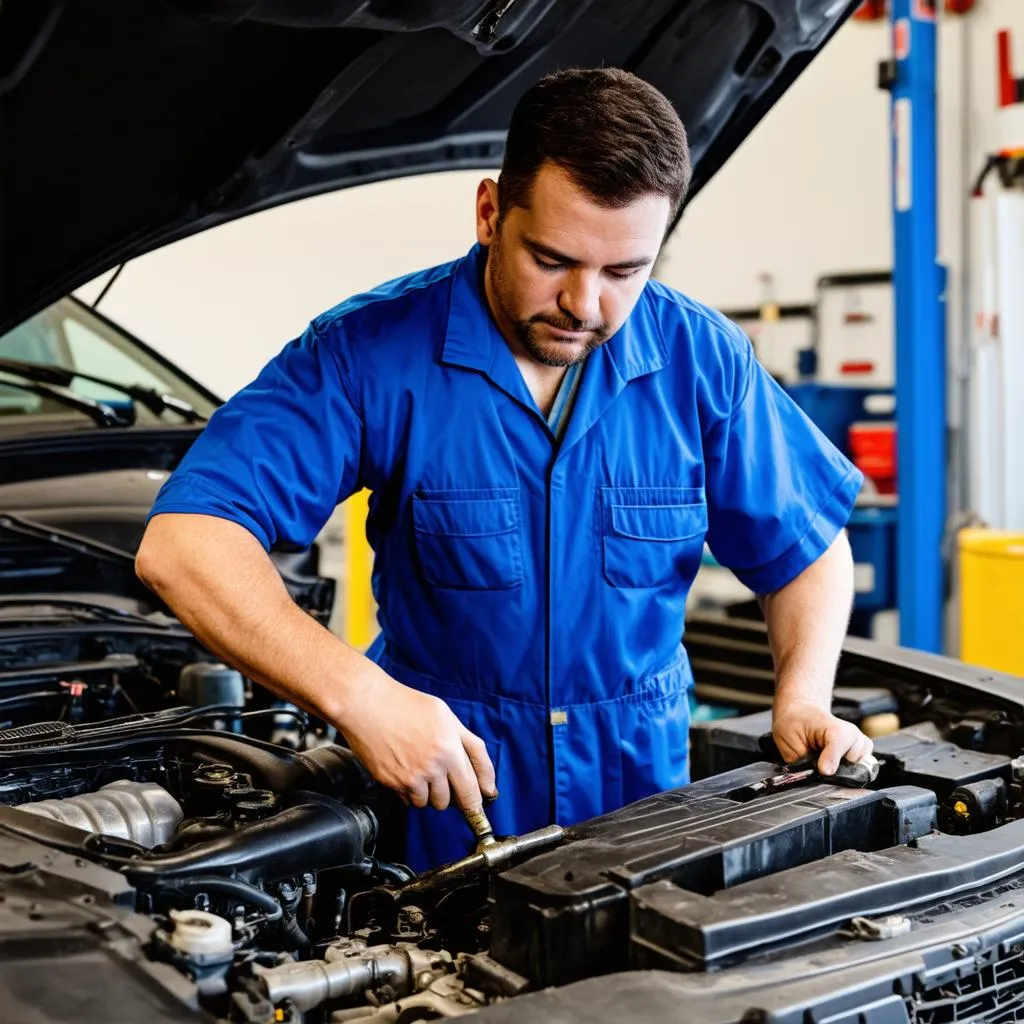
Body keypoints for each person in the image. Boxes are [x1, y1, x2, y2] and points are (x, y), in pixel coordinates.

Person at [136, 67, 873, 872]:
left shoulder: (702, 359)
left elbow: (806, 548)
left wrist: (802, 698)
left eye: (626, 271)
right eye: (553, 259)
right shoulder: (370, 354)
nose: (585, 304)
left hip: (645, 809)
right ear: (491, 212)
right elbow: (186, 545)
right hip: (443, 804)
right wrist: (363, 698)